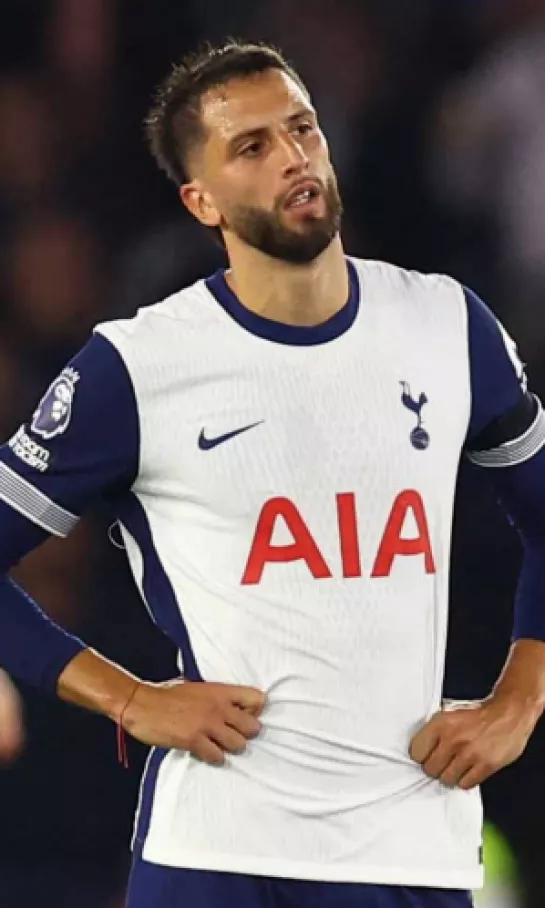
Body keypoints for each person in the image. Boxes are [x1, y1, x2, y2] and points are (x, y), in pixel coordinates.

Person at [0, 39, 545, 908]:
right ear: (200, 199)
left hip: (406, 846)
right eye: (251, 146)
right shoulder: (139, 366)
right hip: (218, 850)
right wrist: (129, 699)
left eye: (302, 128)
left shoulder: (447, 324)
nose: (292, 155)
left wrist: (521, 694)